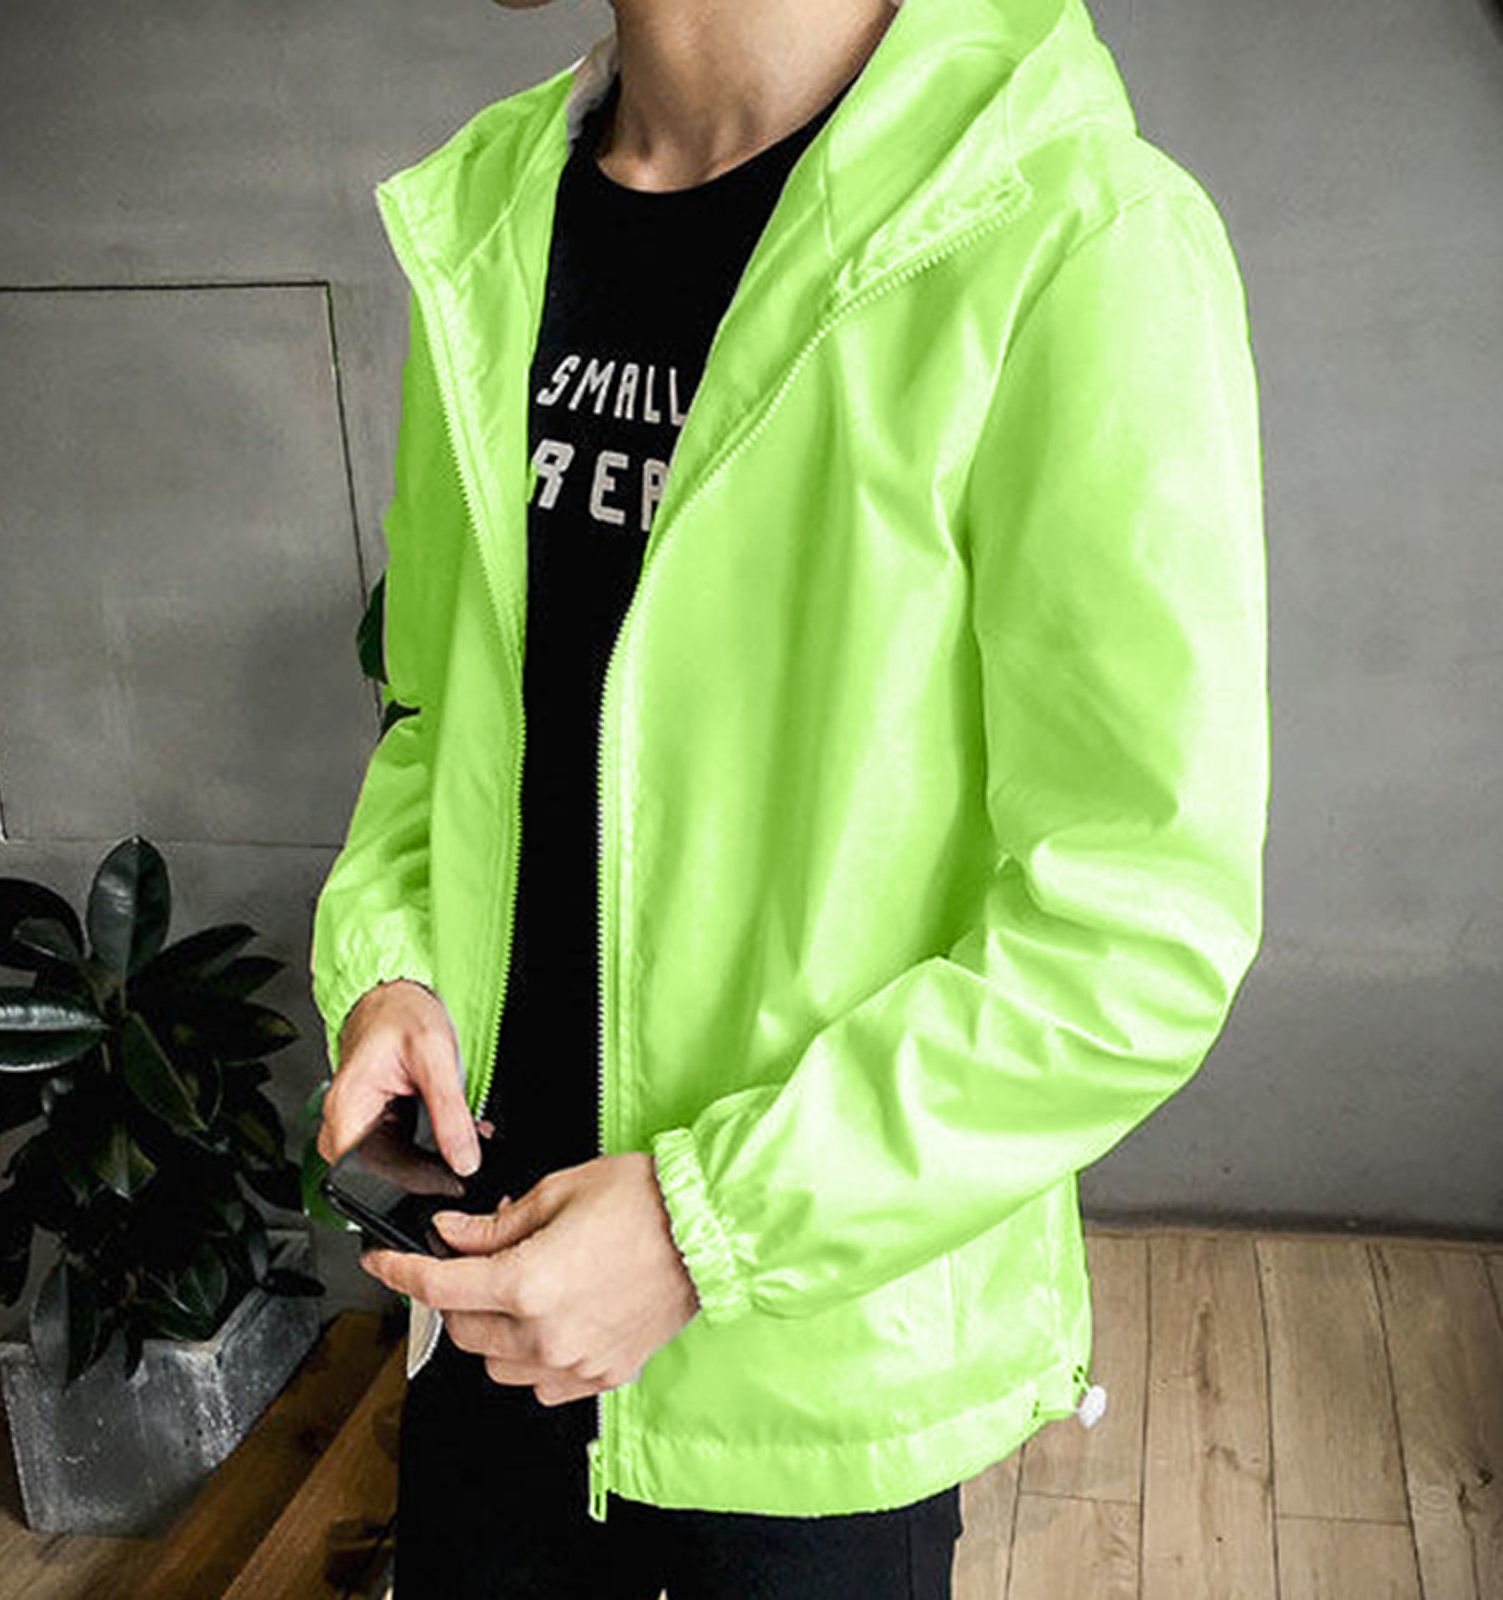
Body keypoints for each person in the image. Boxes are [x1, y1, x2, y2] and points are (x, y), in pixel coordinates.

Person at [311, 0, 1269, 1593]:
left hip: (801, 1382)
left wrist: (705, 1229)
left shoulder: (1065, 228)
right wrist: (393, 968)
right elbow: (438, 720)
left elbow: (1135, 929)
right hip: (481, 1308)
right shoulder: (492, 214)